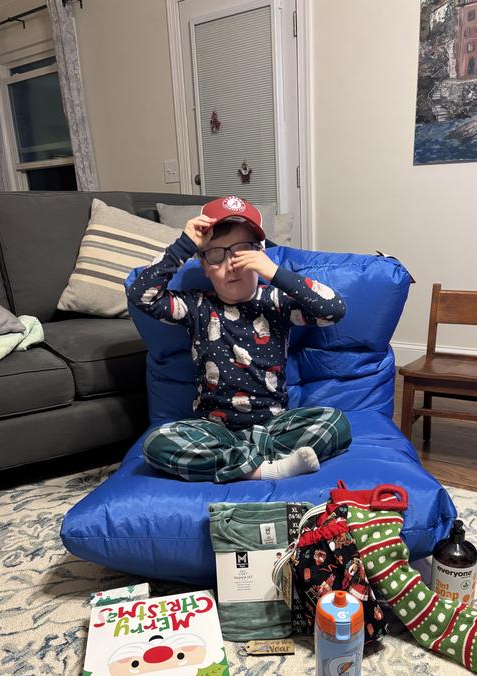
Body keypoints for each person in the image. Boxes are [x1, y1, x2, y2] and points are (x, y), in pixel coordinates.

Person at [126, 195, 352, 483]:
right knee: (156, 443)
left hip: (273, 425)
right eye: (216, 255)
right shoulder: (195, 306)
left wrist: (273, 271)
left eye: (243, 251)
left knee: (336, 423)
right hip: (214, 430)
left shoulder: (277, 302)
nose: (231, 264)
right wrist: (184, 245)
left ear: (260, 254)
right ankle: (268, 469)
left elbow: (334, 310)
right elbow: (140, 296)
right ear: (204, 265)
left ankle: (242, 463)